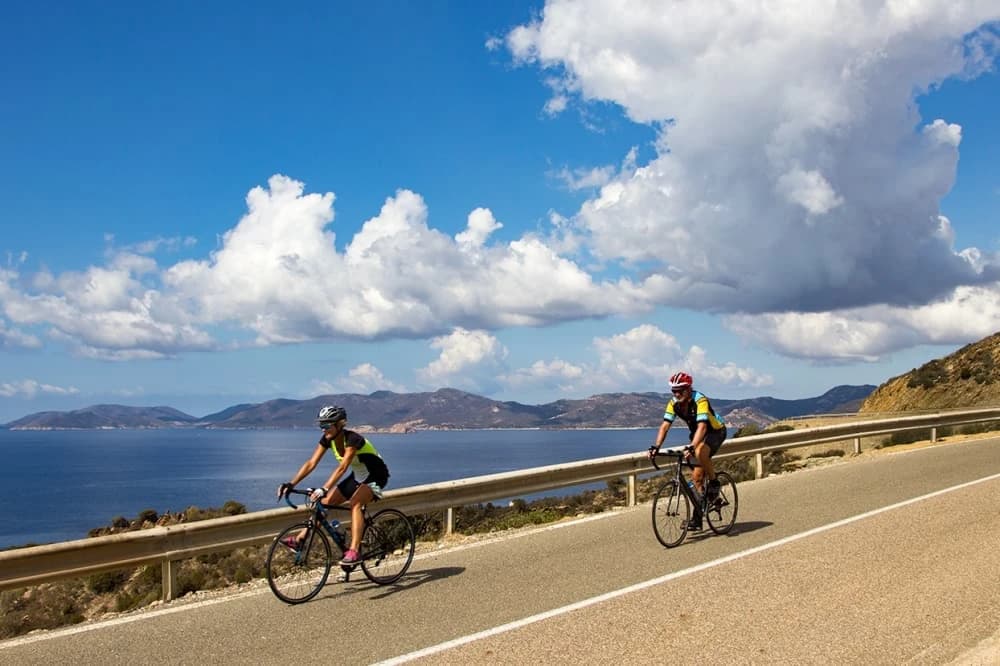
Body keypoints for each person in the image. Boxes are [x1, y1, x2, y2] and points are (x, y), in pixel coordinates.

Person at [277, 405, 390, 565]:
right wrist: (291, 483)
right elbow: (311, 463)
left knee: (355, 503)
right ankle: (300, 539)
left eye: (326, 425)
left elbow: (342, 467)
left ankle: (354, 551)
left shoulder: (353, 439)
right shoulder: (328, 439)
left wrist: (324, 488)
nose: (323, 429)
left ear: (339, 424)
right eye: (321, 425)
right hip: (358, 476)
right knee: (324, 504)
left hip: (377, 476)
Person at [647, 371, 727, 531]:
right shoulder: (673, 404)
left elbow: (703, 427)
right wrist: (656, 447)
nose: (677, 394)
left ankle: (714, 482)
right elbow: (665, 426)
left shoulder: (700, 400)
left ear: (689, 389)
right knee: (696, 478)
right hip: (696, 434)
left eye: (680, 390)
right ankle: (698, 518)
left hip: (714, 431)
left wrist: (692, 446)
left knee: (700, 453)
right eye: (674, 391)